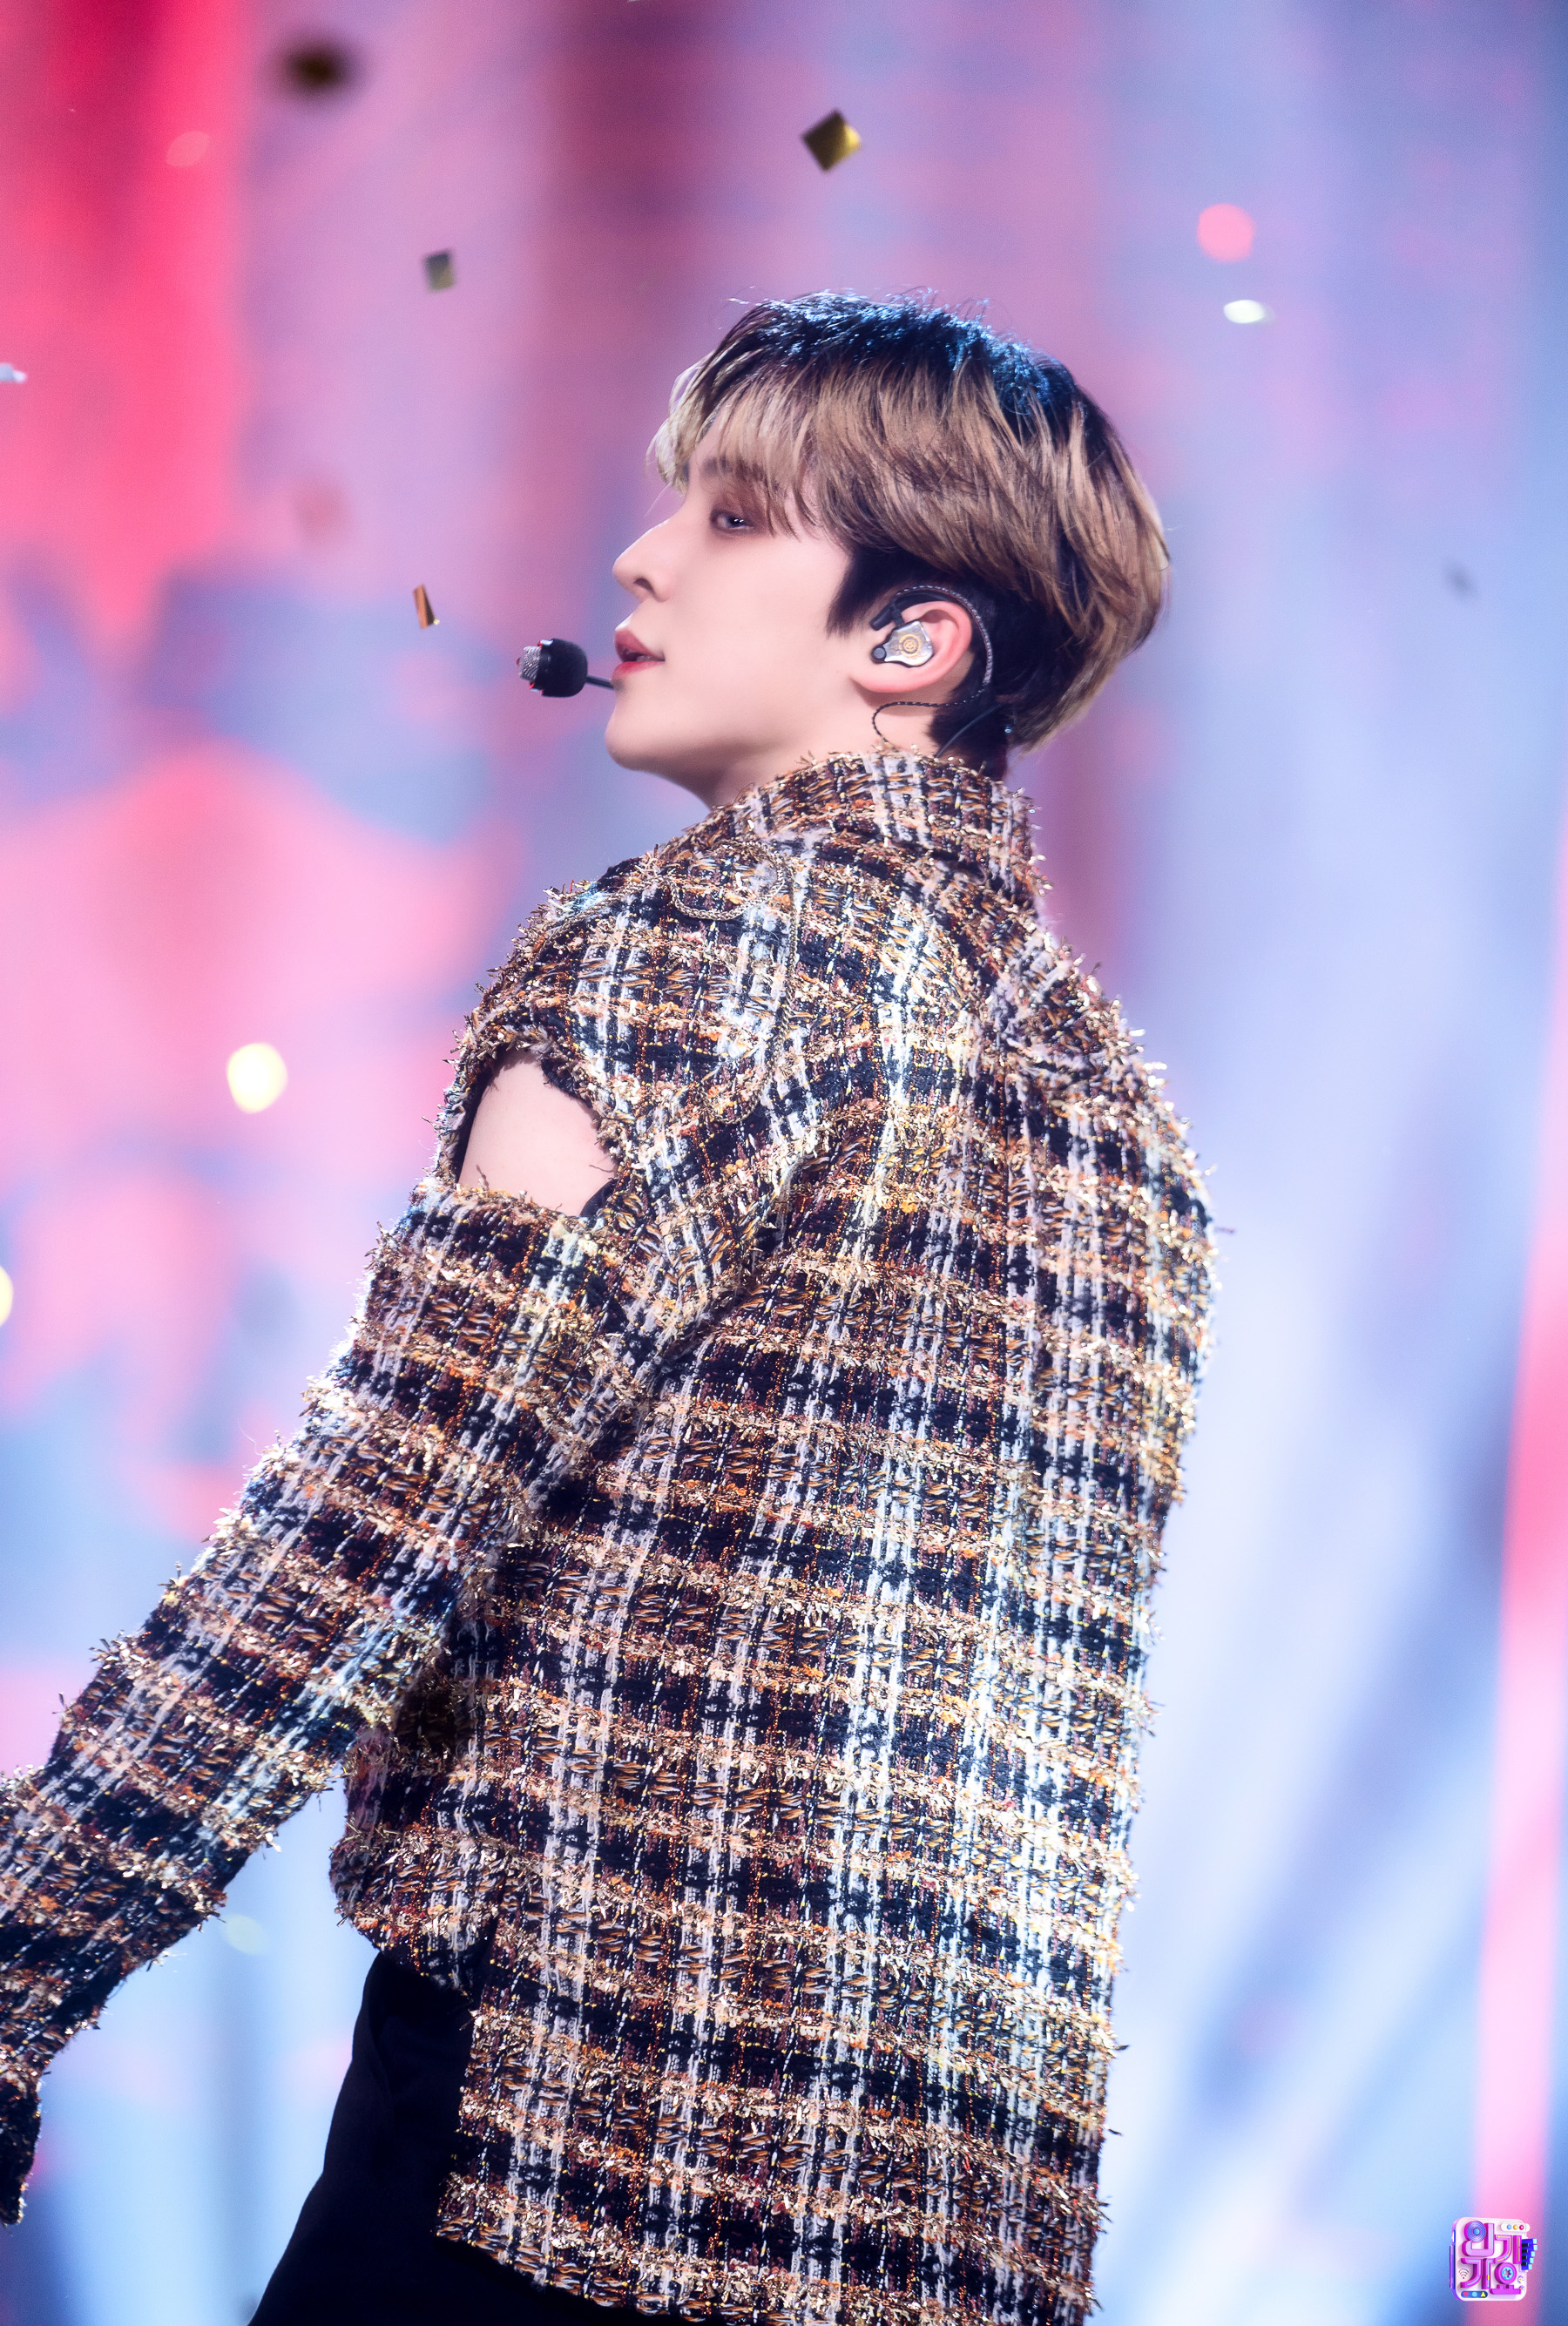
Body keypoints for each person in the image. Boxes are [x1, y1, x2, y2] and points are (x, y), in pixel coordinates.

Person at [0, 292, 1211, 2326]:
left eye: (731, 516)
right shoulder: (1117, 1116)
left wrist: (20, 1954)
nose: (643, 558)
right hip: (946, 2228)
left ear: (911, 642)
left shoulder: (691, 954)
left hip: (554, 2157)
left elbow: (374, 1525)